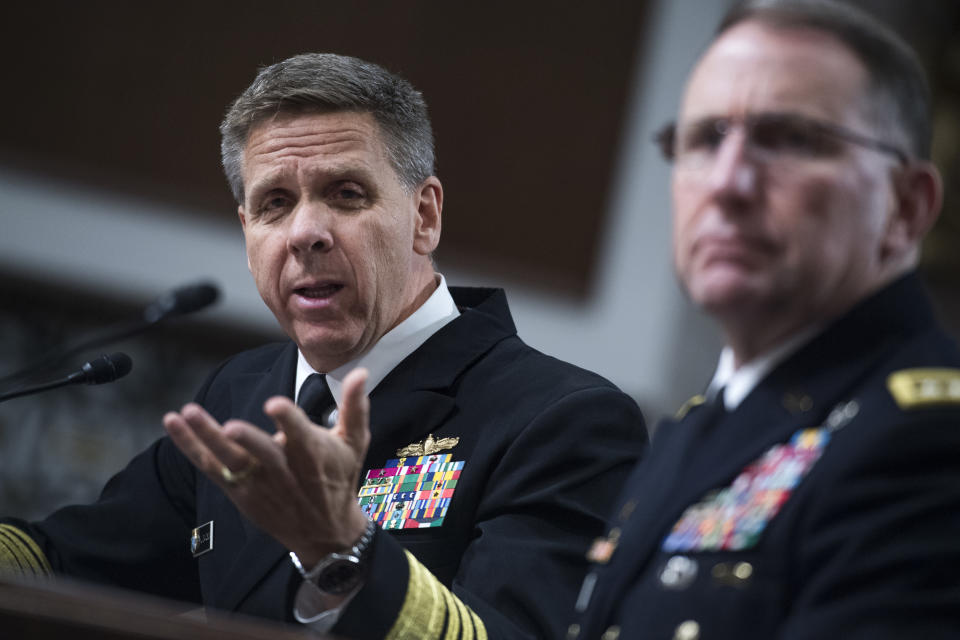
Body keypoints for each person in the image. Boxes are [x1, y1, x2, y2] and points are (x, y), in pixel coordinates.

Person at [0, 53, 647, 639]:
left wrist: (345, 552)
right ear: (247, 230)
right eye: (275, 203)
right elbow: (66, 561)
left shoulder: (562, 420)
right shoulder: (240, 394)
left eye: (345, 193)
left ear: (424, 216)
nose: (306, 232)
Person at [571, 2, 960, 639]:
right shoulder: (697, 426)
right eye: (703, 140)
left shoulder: (926, 439)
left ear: (906, 206)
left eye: (790, 139)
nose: (727, 182)